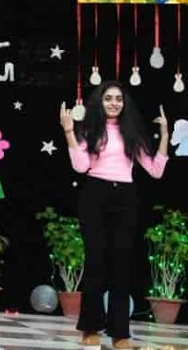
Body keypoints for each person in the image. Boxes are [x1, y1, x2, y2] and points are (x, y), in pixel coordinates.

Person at [60, 82, 169, 350]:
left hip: (125, 198)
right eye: (108, 98)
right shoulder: (90, 130)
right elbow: (80, 166)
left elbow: (156, 171)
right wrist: (68, 131)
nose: (113, 103)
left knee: (121, 265)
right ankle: (90, 328)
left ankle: (120, 333)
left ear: (124, 103)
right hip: (94, 195)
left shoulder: (132, 133)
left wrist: (165, 135)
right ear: (100, 102)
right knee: (95, 262)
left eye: (118, 99)